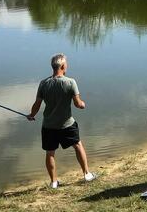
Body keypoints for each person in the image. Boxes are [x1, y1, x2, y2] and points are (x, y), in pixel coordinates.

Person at [27, 53, 96, 188]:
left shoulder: (44, 83)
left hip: (48, 126)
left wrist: (31, 114)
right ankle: (87, 174)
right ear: (63, 66)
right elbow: (78, 104)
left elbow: (37, 104)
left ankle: (53, 182)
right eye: (67, 63)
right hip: (67, 124)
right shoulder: (70, 82)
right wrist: (83, 104)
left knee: (50, 153)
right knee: (77, 146)